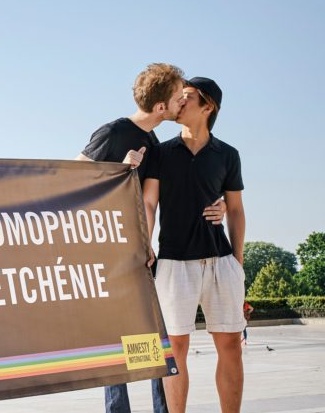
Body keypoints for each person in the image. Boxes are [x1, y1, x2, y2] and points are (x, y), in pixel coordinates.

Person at [76, 63, 225, 413]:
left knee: (153, 337)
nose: (182, 102)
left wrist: (217, 204)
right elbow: (73, 178)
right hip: (107, 250)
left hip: (141, 252)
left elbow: (163, 195)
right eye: (178, 97)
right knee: (117, 337)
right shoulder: (114, 133)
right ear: (161, 108)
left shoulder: (153, 143)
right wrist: (113, 172)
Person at [143, 77, 246, 413]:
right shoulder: (161, 152)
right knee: (175, 349)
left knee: (231, 345)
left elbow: (235, 209)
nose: (179, 102)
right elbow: (149, 204)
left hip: (220, 261)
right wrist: (146, 244)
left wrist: (238, 262)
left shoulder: (228, 155)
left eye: (186, 97)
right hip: (174, 263)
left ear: (207, 106)